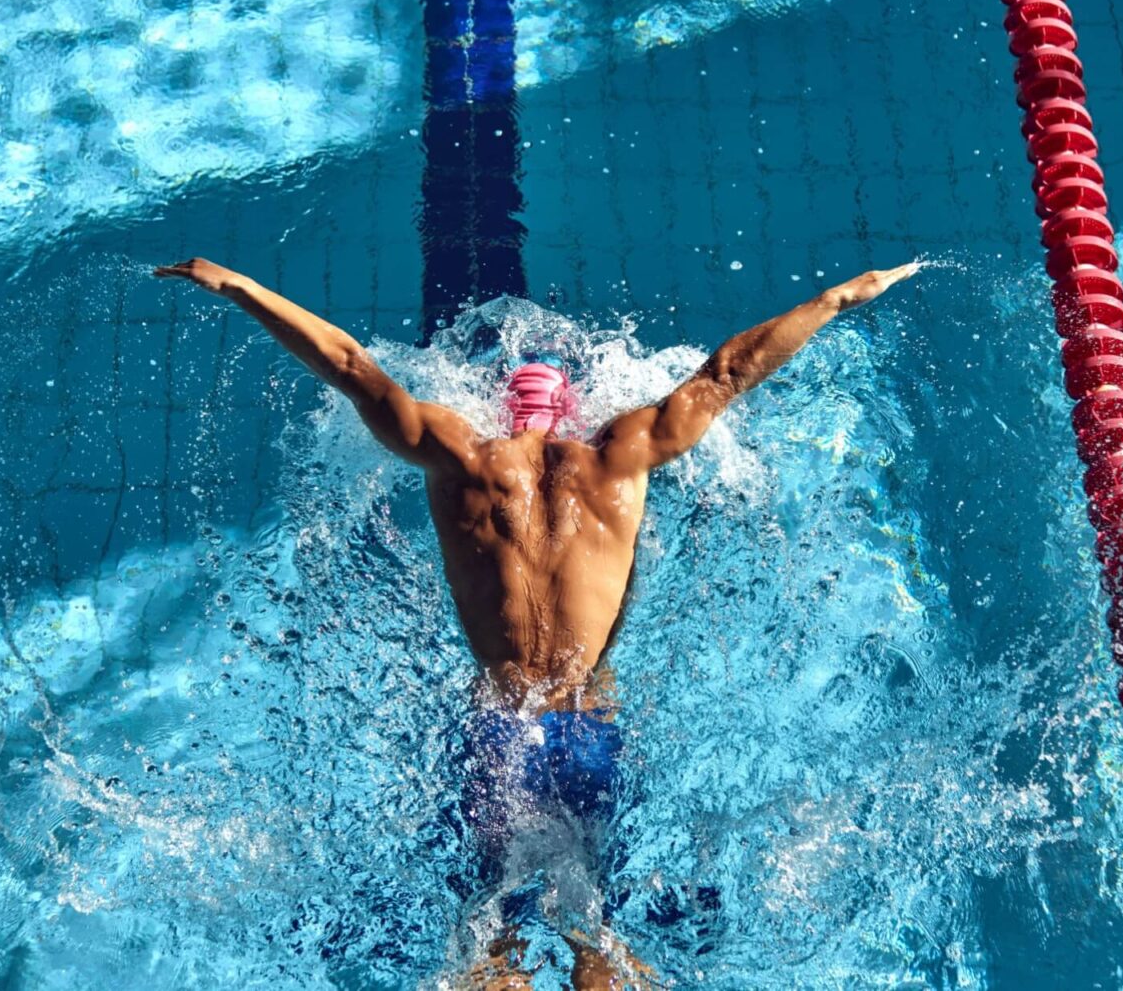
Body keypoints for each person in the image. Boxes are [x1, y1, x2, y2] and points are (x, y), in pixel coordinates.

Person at [153, 256, 923, 989]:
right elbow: (727, 369)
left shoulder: (463, 457)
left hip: (501, 734)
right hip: (591, 731)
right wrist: (838, 298)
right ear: (570, 414)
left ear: (505, 413)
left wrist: (238, 286)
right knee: (598, 931)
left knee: (496, 934)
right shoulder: (619, 457)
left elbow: (352, 368)